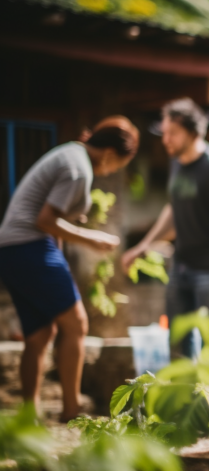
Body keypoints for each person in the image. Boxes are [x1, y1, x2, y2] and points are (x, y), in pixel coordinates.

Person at [0, 117, 139, 420]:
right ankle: (72, 410)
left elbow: (51, 225)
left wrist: (60, 261)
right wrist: (92, 238)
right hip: (29, 246)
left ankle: (29, 416)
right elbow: (45, 221)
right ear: (110, 154)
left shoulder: (69, 154)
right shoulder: (79, 170)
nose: (113, 171)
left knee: (40, 334)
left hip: (13, 250)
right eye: (119, 165)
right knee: (76, 324)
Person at [121, 98, 209, 358]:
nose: (165, 139)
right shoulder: (177, 165)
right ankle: (188, 399)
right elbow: (173, 210)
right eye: (164, 133)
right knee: (178, 345)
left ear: (192, 132)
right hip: (181, 268)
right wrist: (144, 246)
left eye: (172, 133)